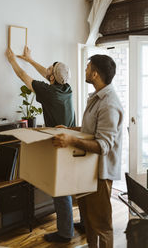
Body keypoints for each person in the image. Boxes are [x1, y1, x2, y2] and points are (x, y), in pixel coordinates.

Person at [52, 54, 123, 248]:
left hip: (100, 173)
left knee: (102, 226)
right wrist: (68, 130)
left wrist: (70, 140)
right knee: (89, 223)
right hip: (87, 170)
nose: (84, 71)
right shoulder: (96, 99)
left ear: (95, 74)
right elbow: (89, 132)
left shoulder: (109, 104)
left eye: (87, 68)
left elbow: (103, 145)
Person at [6, 46, 75, 243]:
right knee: (67, 188)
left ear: (52, 78)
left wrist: (12, 60)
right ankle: (72, 227)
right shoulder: (66, 89)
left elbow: (23, 77)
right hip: (69, 144)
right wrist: (30, 58)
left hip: (59, 145)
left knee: (60, 191)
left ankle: (65, 233)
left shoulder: (49, 93)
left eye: (49, 70)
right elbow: (46, 75)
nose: (46, 70)